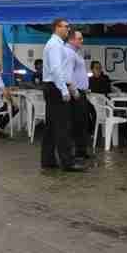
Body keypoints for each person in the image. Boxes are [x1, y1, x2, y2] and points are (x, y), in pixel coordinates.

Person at [41, 18, 85, 172]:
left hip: (52, 86)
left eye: (68, 27)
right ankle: (68, 162)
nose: (68, 29)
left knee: (51, 126)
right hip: (55, 87)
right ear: (56, 27)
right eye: (66, 26)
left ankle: (48, 160)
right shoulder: (54, 45)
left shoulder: (56, 44)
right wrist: (64, 90)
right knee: (62, 126)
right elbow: (56, 69)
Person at [65, 30, 93, 159]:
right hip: (76, 94)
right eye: (79, 38)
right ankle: (76, 152)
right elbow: (68, 75)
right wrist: (75, 92)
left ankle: (81, 150)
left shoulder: (74, 53)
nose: (82, 41)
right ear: (71, 40)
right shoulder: (69, 53)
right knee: (76, 123)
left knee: (82, 122)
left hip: (81, 92)